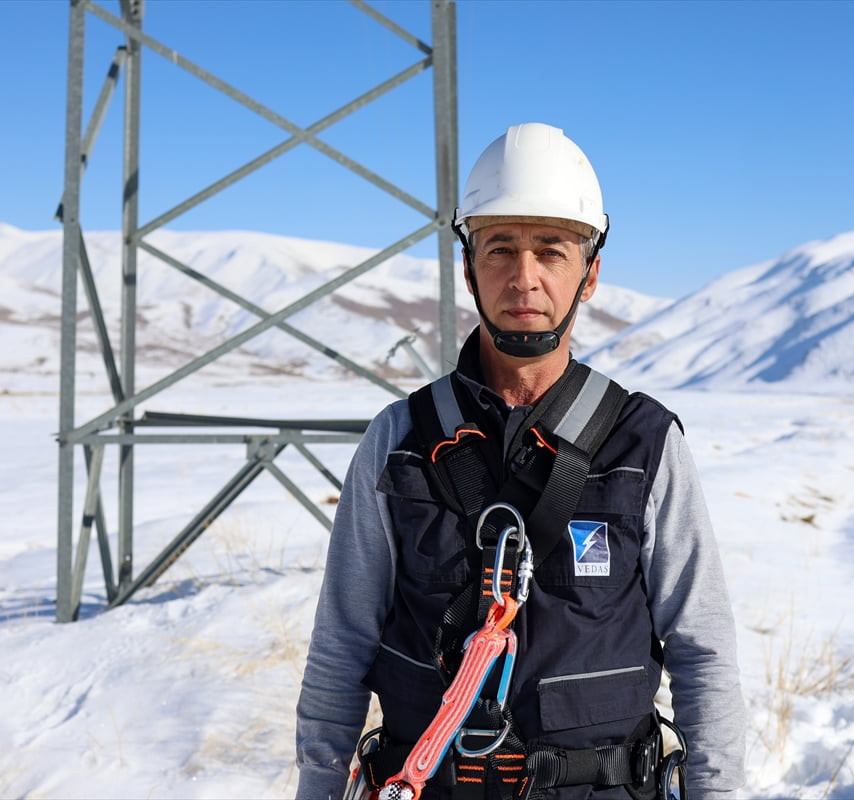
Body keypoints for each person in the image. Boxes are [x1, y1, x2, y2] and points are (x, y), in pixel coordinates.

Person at [296, 123, 745, 800]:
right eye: (500, 248)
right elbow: (342, 642)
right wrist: (318, 786)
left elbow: (701, 649)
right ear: (469, 264)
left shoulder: (643, 444)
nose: (524, 277)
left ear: (589, 273)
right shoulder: (399, 441)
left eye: (552, 251)